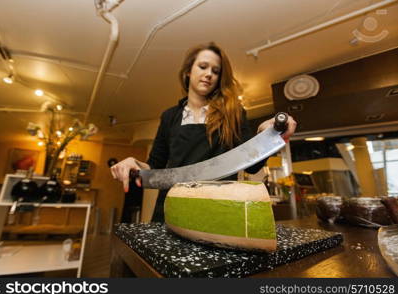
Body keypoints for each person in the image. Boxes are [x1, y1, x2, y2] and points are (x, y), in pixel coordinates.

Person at [110, 42, 297, 222]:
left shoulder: (234, 113)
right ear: (188, 72)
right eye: (203, 66)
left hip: (217, 210)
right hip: (172, 206)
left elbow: (251, 165)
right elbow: (155, 165)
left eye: (215, 71)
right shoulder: (170, 116)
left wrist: (266, 135)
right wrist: (133, 164)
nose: (209, 74)